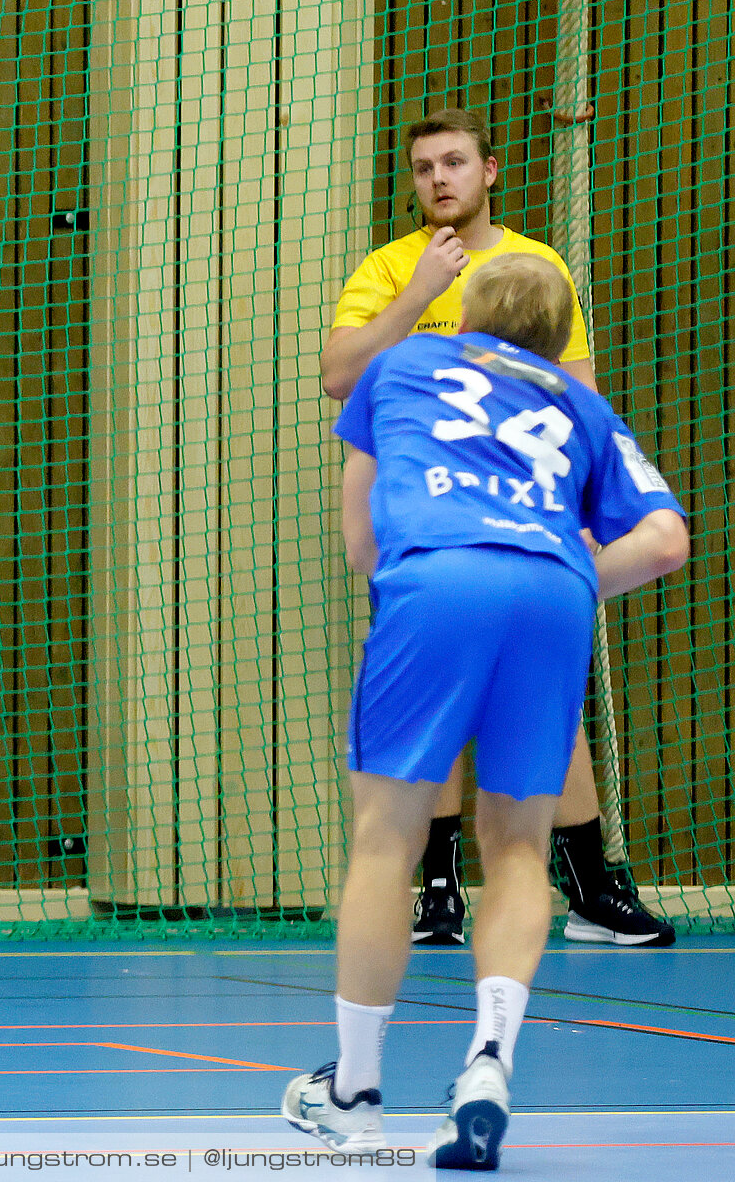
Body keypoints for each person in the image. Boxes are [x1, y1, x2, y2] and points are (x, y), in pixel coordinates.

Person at [283, 253, 689, 1167]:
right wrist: (574, 572)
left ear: (465, 314)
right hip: (553, 588)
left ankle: (353, 1091)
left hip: (438, 577)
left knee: (387, 841)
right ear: (557, 338)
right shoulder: (583, 405)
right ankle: (490, 1061)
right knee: (519, 849)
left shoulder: (400, 365)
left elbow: (360, 545)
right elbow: (666, 540)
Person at [322, 108, 674, 948]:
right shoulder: (389, 268)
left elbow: (576, 391)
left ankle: (591, 881)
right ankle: (436, 888)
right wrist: (417, 297)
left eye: (453, 162)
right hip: (428, 519)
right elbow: (341, 377)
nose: (437, 179)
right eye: (422, 168)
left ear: (490, 170)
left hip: (526, 517)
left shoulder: (535, 265)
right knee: (437, 694)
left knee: (548, 699)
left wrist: (587, 516)